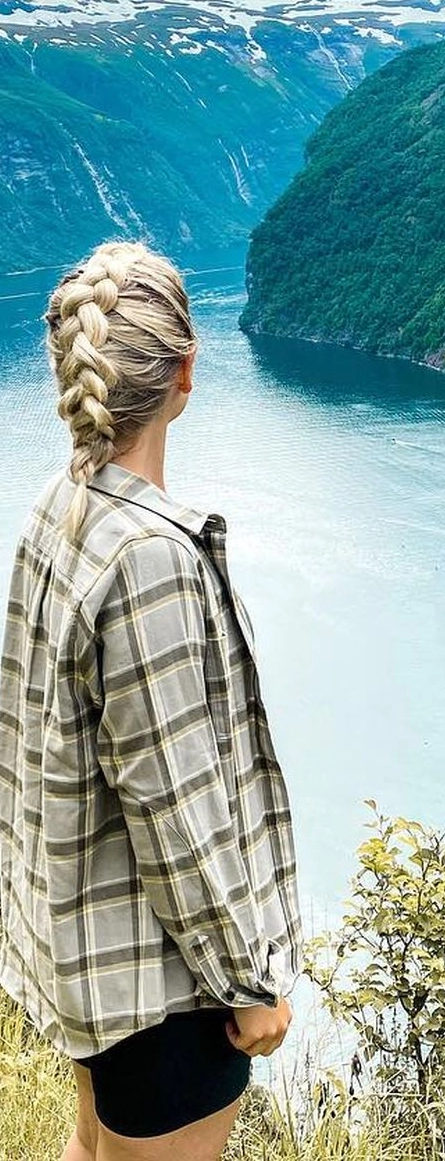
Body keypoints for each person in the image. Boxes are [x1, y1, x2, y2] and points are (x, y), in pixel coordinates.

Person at [0, 240, 304, 1161]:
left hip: (86, 959)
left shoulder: (61, 507)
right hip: (165, 993)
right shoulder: (151, 558)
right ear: (184, 369)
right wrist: (250, 983)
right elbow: (175, 805)